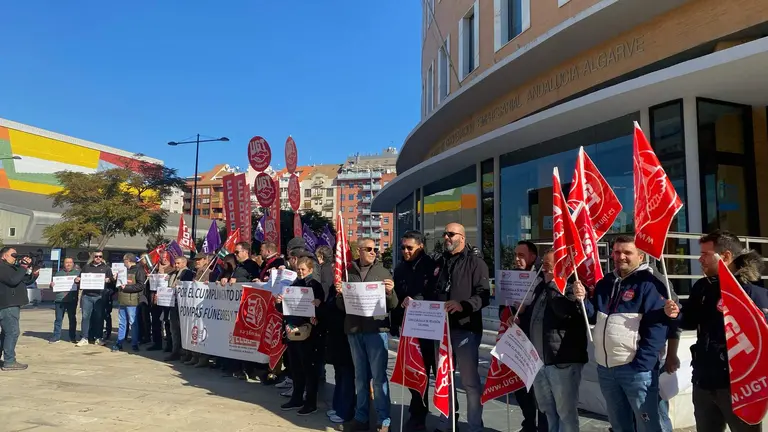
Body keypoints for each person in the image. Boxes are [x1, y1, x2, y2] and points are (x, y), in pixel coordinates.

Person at [664, 230, 768, 432]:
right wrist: (676, 314)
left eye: (705, 254)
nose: (700, 259)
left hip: (740, 387)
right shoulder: (702, 287)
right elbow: (690, 321)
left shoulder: (752, 292)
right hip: (703, 381)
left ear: (726, 256)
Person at [576, 235, 668, 432]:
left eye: (627, 252)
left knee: (648, 425)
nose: (621, 257)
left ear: (641, 256)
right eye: (617, 252)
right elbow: (593, 316)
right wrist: (582, 299)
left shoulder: (650, 284)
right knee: (619, 425)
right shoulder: (606, 282)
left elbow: (657, 329)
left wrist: (641, 365)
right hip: (606, 369)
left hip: (635, 370)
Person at [426, 223, 490, 432]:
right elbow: (431, 292)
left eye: (450, 234)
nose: (446, 237)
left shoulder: (476, 263)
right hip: (440, 330)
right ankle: (447, 424)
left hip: (465, 330)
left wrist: (463, 306)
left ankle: (474, 427)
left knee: (470, 383)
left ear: (462, 237)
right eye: (445, 233)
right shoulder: (440, 262)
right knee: (444, 379)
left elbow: (484, 295)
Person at [518, 250, 587, 432]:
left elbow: (564, 313)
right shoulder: (541, 286)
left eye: (549, 267)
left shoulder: (573, 287)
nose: (544, 270)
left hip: (561, 361)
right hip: (539, 361)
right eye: (543, 266)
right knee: (547, 410)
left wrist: (554, 284)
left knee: (566, 413)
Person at [336, 238, 398, 432]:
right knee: (360, 378)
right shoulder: (349, 273)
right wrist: (339, 294)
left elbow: (393, 304)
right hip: (354, 331)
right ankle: (361, 417)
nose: (373, 252)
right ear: (359, 251)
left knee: (379, 378)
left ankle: (384, 420)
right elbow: (341, 307)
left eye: (375, 249)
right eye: (369, 249)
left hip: (376, 331)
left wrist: (390, 292)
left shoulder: (383, 272)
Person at [392, 230, 437, 432]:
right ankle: (416, 410)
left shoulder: (431, 265)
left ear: (420, 246)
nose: (405, 251)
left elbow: (436, 292)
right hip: (407, 326)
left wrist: (417, 301)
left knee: (427, 371)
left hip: (428, 326)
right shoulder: (400, 268)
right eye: (403, 247)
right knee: (413, 369)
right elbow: (397, 296)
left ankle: (430, 413)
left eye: (409, 247)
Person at [276, 256, 325, 415]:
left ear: (310, 270)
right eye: (298, 269)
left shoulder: (315, 286)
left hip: (309, 334)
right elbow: (285, 309)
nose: (300, 272)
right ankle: (296, 397)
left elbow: (320, 310)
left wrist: (317, 306)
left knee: (309, 369)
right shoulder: (293, 285)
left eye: (303, 269)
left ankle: (310, 402)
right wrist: (280, 302)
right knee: (296, 367)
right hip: (293, 331)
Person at [507, 240, 548, 432]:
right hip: (518, 340)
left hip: (537, 341)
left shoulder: (542, 275)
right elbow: (504, 302)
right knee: (520, 387)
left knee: (540, 389)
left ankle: (543, 425)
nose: (517, 259)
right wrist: (507, 316)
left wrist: (525, 311)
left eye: (521, 255)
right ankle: (528, 422)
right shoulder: (511, 276)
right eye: (515, 255)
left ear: (533, 256)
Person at [0, 247, 38, 371]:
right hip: (7, 305)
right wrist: (23, 266)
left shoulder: (12, 268)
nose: (15, 258)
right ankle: (9, 361)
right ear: (4, 256)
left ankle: (7, 359)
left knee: (6, 333)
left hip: (11, 304)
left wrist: (34, 273)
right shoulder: (2, 267)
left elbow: (24, 280)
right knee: (12, 332)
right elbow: (13, 280)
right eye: (12, 255)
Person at [181, 254, 215, 365]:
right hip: (193, 307)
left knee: (201, 332)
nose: (197, 262)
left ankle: (202, 358)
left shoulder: (208, 272)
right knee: (193, 331)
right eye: (195, 260)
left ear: (205, 260)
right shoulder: (196, 272)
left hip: (202, 307)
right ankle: (194, 356)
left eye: (199, 260)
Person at [76, 250, 114, 347]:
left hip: (99, 297)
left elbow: (112, 281)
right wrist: (77, 280)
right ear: (93, 257)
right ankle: (84, 337)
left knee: (99, 318)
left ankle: (98, 338)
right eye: (96, 256)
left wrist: (109, 280)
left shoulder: (106, 268)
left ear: (102, 257)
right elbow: (79, 278)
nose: (98, 258)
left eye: (100, 256)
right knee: (85, 317)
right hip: (87, 296)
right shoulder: (86, 267)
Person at [112, 253, 147, 352]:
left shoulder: (139, 270)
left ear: (128, 260)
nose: (123, 263)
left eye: (124, 260)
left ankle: (135, 343)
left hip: (133, 301)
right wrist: (115, 280)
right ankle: (119, 342)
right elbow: (119, 283)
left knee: (133, 323)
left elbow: (141, 285)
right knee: (122, 323)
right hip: (122, 299)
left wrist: (127, 288)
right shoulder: (123, 270)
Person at [165, 256, 194, 361]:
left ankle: (183, 352)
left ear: (184, 263)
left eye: (178, 263)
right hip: (172, 303)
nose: (176, 265)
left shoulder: (187, 273)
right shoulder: (173, 273)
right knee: (174, 329)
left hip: (182, 305)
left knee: (181, 329)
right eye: (175, 263)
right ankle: (175, 351)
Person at [49, 257, 79, 344]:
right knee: (58, 319)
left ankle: (72, 337)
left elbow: (81, 286)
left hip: (72, 299)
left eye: (70, 262)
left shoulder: (77, 274)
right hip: (60, 300)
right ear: (64, 264)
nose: (68, 264)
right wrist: (51, 285)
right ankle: (56, 336)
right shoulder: (58, 274)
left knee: (72, 319)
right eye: (66, 262)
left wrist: (79, 282)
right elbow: (51, 285)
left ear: (73, 264)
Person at [148, 251, 172, 351]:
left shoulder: (172, 269)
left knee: (167, 322)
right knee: (155, 322)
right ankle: (157, 343)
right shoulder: (155, 268)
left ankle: (169, 345)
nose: (164, 259)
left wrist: (165, 275)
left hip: (166, 300)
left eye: (166, 257)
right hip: (155, 299)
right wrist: (151, 277)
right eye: (162, 257)